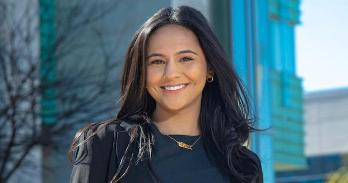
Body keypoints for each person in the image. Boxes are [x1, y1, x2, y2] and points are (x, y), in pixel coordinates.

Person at [68, 6, 263, 183]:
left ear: (210, 68)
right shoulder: (105, 144)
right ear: (142, 73)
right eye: (157, 62)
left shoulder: (243, 166)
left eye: (185, 58)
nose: (171, 73)